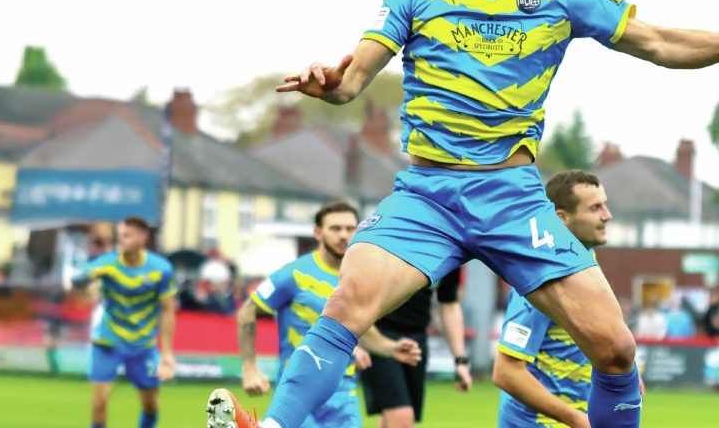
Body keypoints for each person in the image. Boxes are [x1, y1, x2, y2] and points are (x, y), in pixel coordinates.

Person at [206, 0, 719, 428]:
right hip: (427, 196)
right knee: (345, 305)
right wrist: (331, 84)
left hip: (514, 198)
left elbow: (657, 41)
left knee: (617, 349)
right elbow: (353, 82)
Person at [222, 201, 422, 428]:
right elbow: (247, 312)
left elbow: (359, 327)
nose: (343, 235)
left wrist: (391, 348)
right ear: (318, 233)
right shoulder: (294, 273)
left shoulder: (360, 278)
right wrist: (249, 367)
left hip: (344, 395)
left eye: (349, 228)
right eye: (335, 228)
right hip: (300, 389)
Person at [493, 170, 614, 428]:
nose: (607, 215)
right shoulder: (543, 278)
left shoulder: (584, 262)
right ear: (562, 218)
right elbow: (506, 372)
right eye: (595, 208)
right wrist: (575, 419)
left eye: (605, 205)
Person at [74, 217, 177, 428]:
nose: (121, 240)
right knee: (99, 403)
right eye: (119, 235)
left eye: (127, 235)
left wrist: (166, 353)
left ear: (142, 237)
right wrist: (83, 283)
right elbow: (81, 279)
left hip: (143, 345)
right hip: (108, 341)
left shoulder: (161, 269)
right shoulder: (107, 264)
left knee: (151, 406)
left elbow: (167, 311)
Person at [359, 268, 471, 427]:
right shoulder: (392, 244)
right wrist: (360, 338)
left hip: (417, 339)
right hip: (378, 336)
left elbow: (449, 304)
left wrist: (460, 361)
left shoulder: (450, 252)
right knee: (401, 417)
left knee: (394, 418)